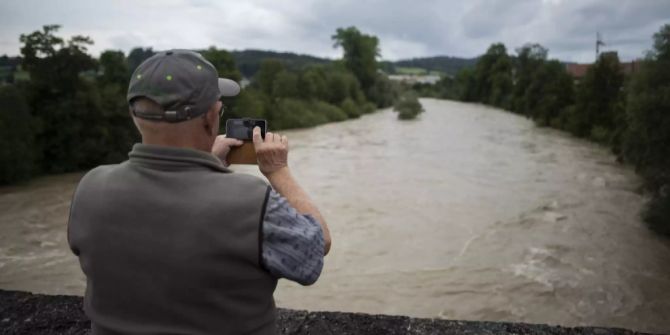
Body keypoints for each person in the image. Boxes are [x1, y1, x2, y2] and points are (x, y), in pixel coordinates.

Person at [67, 49, 331, 335]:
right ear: (210, 116)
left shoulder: (91, 187)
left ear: (134, 114)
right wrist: (278, 170)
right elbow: (315, 250)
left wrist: (209, 162)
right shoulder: (251, 201)